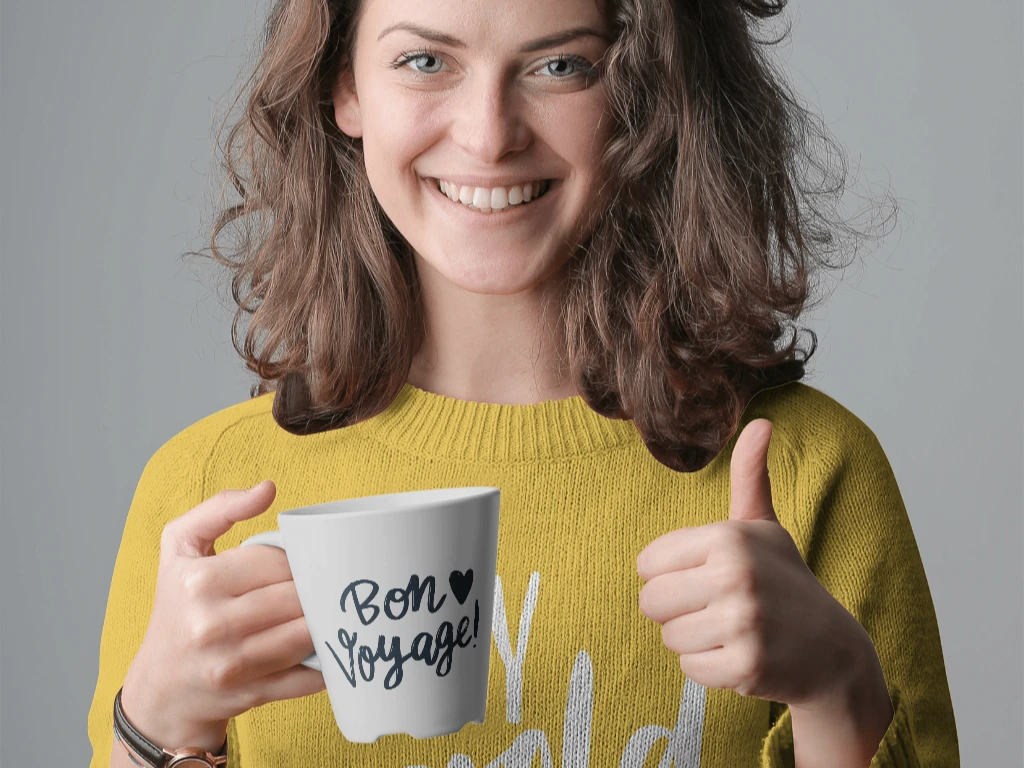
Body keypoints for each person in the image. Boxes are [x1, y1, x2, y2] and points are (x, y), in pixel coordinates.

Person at [88, 0, 961, 765]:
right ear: (343, 90)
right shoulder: (202, 495)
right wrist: (159, 724)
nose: (489, 134)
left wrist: (838, 685)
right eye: (424, 60)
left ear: (641, 95)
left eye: (560, 65)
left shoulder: (807, 469)